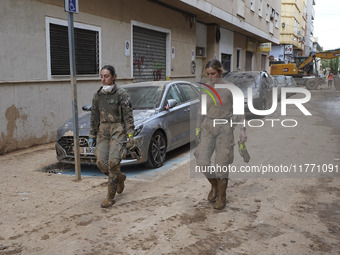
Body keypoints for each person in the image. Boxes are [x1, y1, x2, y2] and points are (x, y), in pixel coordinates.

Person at [195, 59, 247, 210]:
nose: (211, 77)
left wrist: (243, 131)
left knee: (222, 164)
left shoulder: (231, 89)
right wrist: (198, 128)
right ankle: (215, 186)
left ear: (220, 71)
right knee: (202, 161)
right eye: (208, 74)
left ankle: (222, 196)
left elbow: (240, 111)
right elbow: (201, 110)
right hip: (207, 127)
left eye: (213, 73)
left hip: (224, 127)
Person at [89, 65, 135, 208]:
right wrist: (92, 134)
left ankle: (110, 197)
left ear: (114, 77)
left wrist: (130, 135)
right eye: (101, 76)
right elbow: (94, 116)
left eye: (106, 76)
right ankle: (120, 177)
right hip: (103, 130)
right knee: (101, 163)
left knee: (113, 162)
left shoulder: (121, 94)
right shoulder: (97, 95)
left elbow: (128, 116)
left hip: (117, 129)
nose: (103, 79)